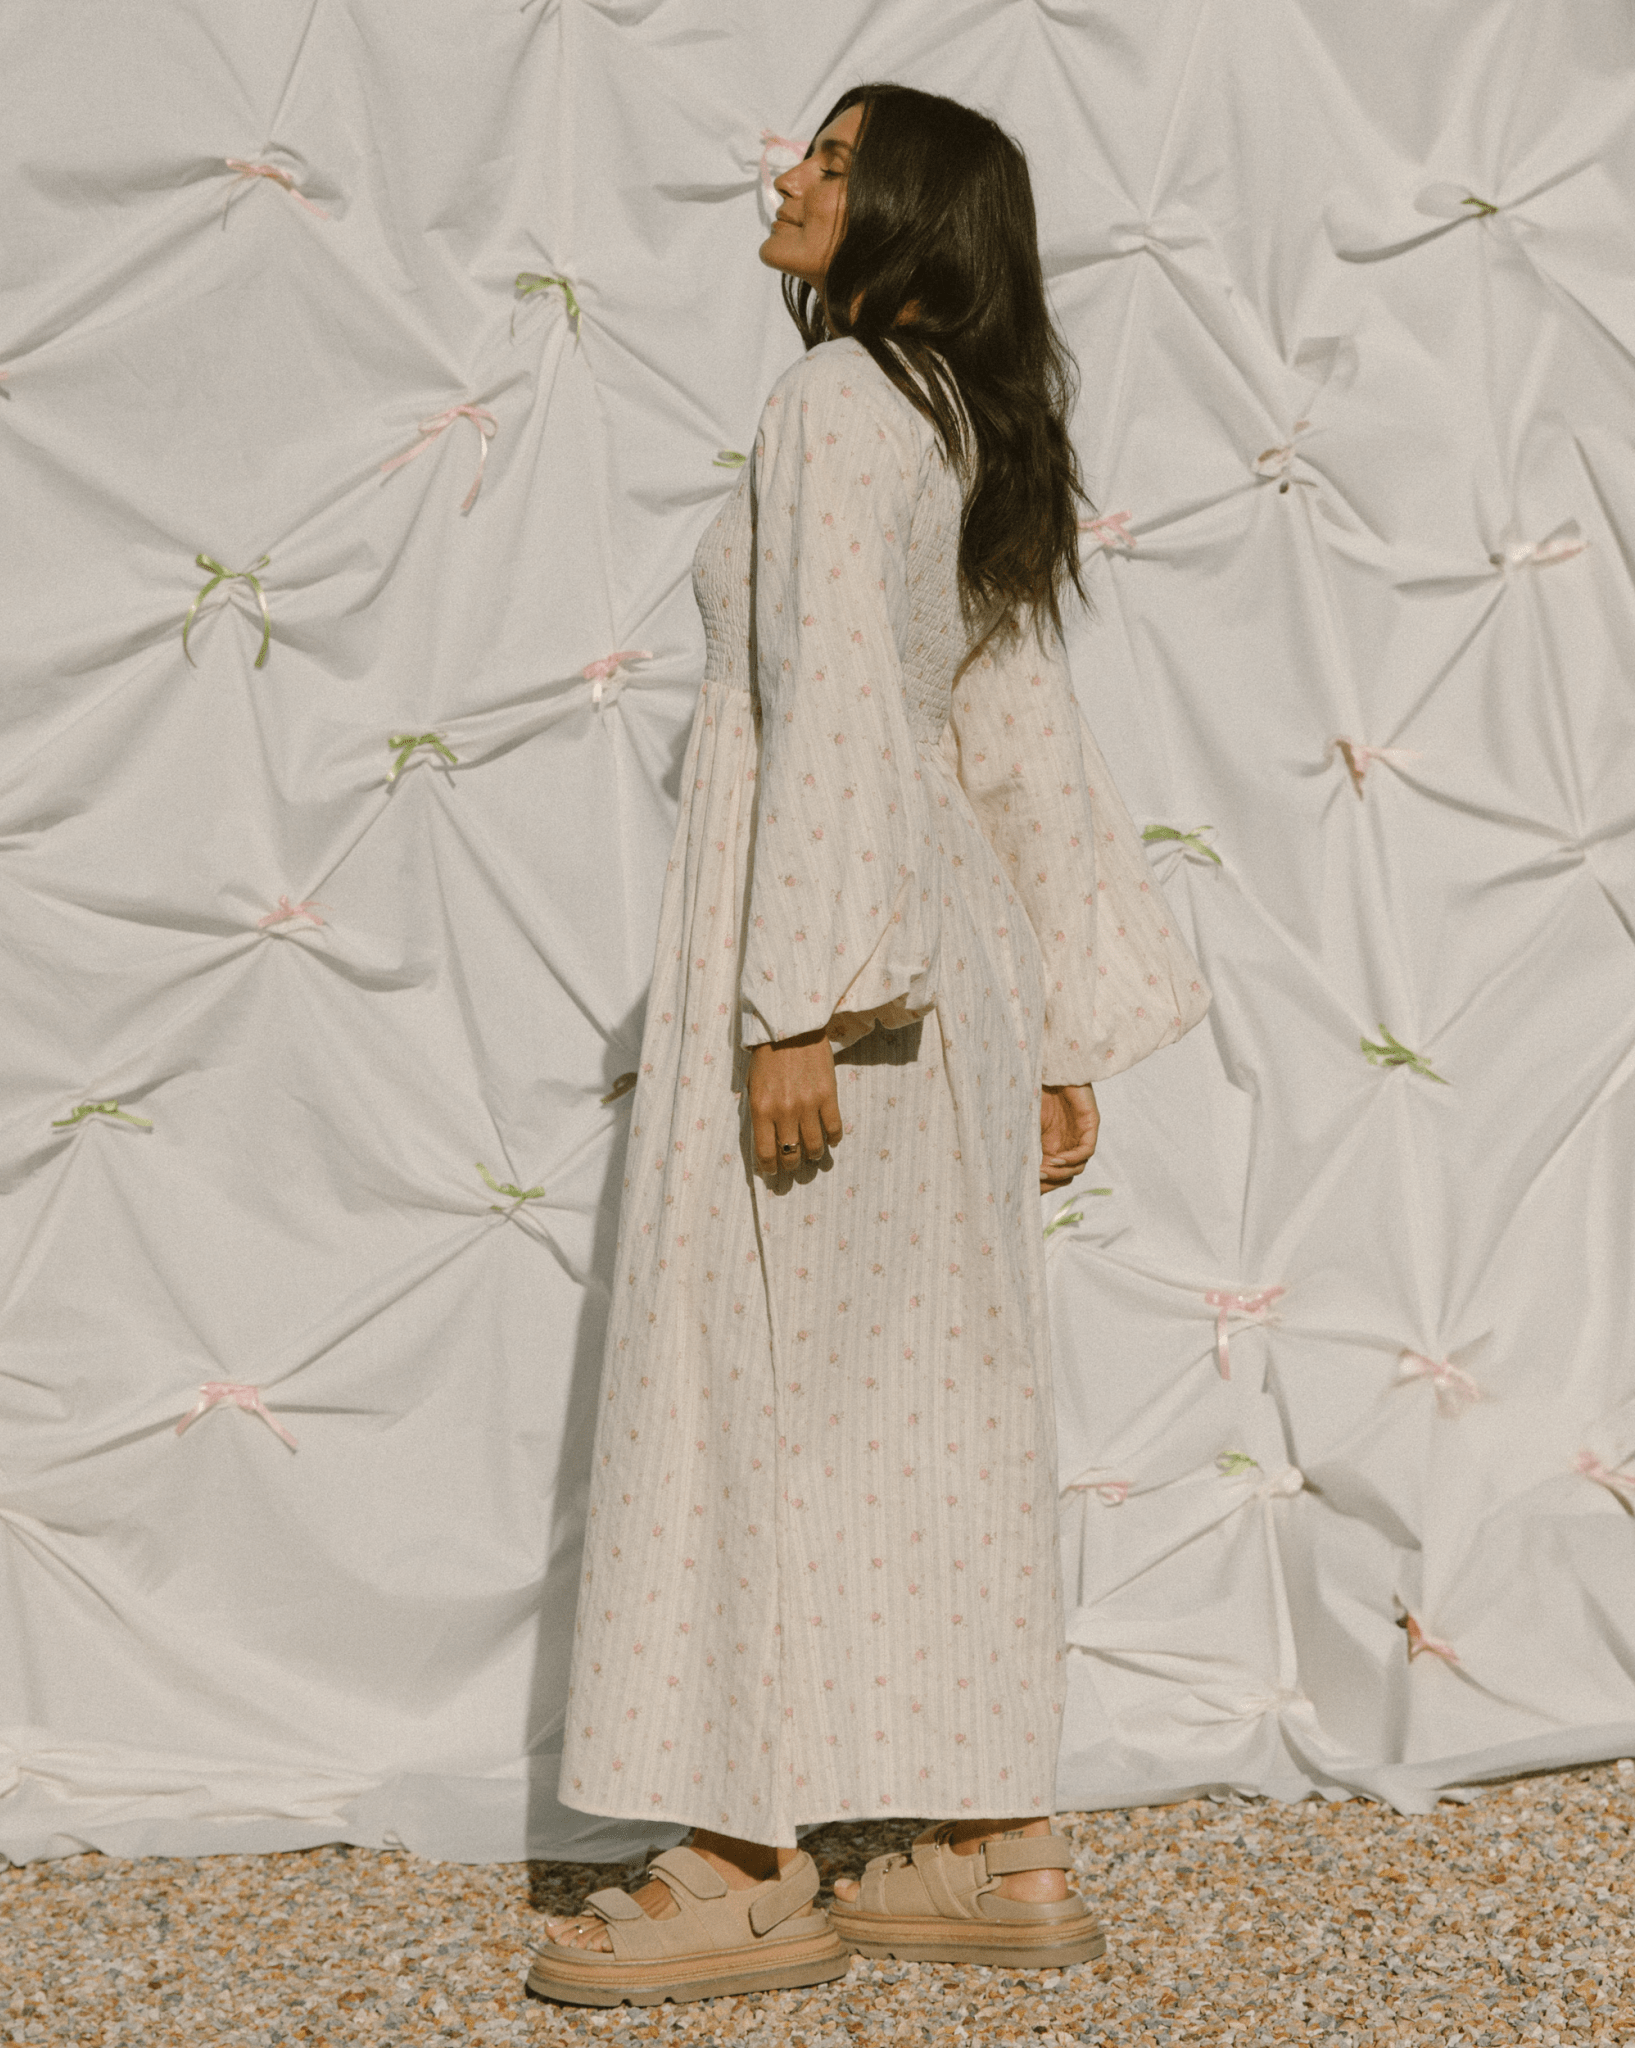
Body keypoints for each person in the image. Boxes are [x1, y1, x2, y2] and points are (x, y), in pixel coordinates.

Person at [526, 82, 1209, 2009]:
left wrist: (790, 1004)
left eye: (830, 165)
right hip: (956, 982)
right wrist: (1058, 1027)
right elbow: (1012, 734)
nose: (790, 180)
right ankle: (996, 1848)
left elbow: (834, 702)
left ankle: (742, 1862)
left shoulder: (841, 401)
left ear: (907, 213)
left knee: (752, 1384)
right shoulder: (956, 417)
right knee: (930, 1406)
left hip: (839, 978)